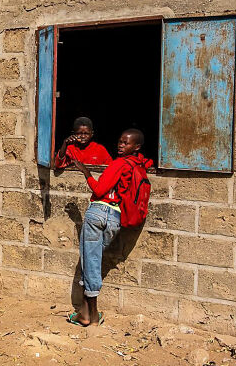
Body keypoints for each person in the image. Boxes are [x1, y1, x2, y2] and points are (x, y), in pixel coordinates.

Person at [68, 128, 152, 327]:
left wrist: (86, 172)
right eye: (120, 141)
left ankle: (91, 316)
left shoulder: (119, 163)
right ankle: (84, 312)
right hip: (115, 218)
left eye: (126, 143)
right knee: (93, 262)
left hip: (98, 212)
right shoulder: (139, 165)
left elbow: (99, 189)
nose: (121, 145)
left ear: (136, 146)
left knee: (90, 261)